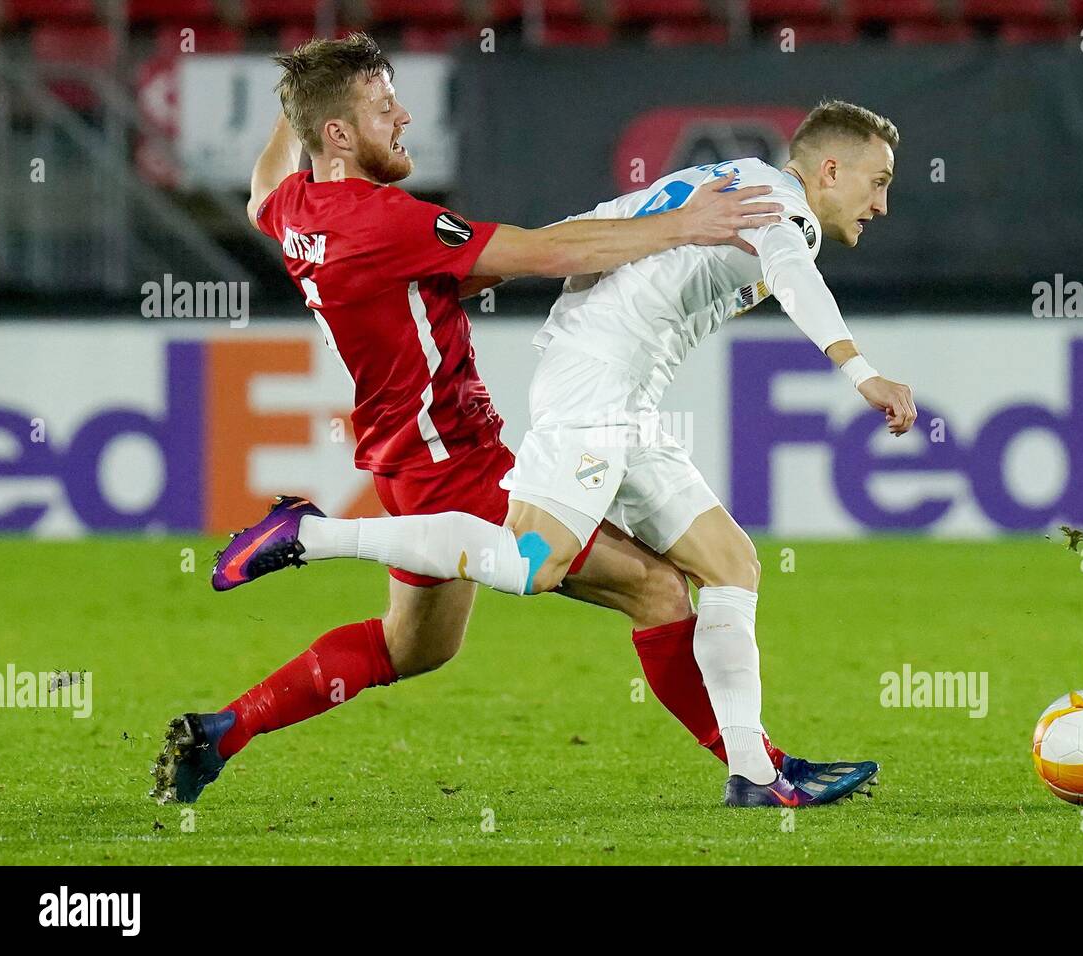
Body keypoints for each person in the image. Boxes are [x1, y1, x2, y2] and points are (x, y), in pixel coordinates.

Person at [218, 96, 911, 808]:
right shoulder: (782, 209)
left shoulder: (733, 176)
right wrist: (863, 373)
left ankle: (757, 775)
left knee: (730, 562)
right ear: (829, 169)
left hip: (619, 389)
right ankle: (314, 534)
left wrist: (495, 272)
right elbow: (794, 275)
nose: (882, 204)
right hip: (597, 389)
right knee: (529, 563)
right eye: (878, 181)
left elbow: (604, 220)